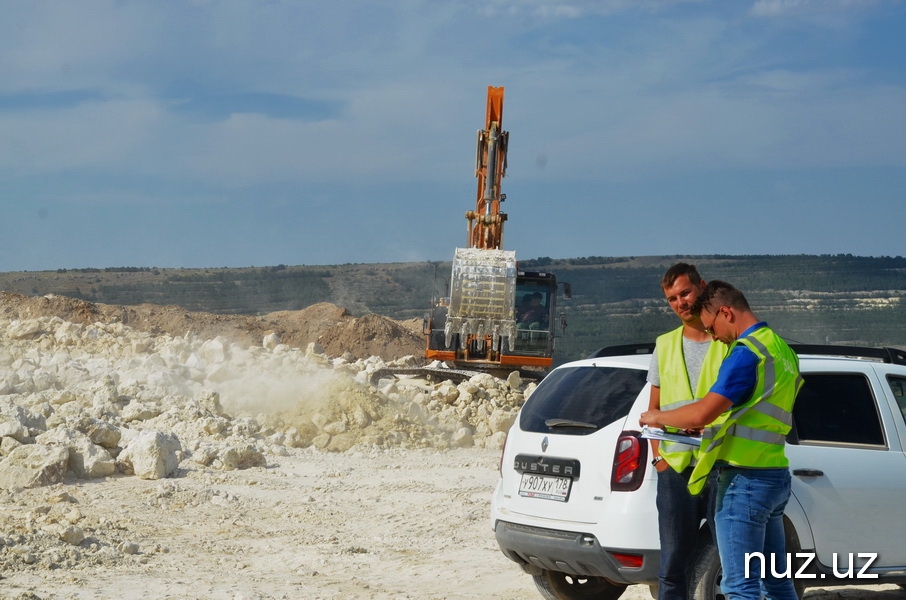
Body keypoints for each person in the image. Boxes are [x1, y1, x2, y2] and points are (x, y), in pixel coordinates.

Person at [640, 281, 803, 600]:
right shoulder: (781, 349)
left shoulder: (746, 352)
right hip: (774, 475)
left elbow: (701, 412)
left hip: (744, 483)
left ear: (726, 312)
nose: (714, 336)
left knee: (739, 586)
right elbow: (754, 414)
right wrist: (709, 429)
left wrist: (656, 417)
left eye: (713, 327)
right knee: (776, 582)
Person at [646, 263, 728, 600]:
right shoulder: (664, 345)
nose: (680, 302)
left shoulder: (729, 342)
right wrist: (659, 461)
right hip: (676, 470)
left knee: (730, 560)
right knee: (672, 566)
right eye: (672, 298)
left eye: (685, 293)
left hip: (721, 465)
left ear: (702, 287)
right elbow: (654, 412)